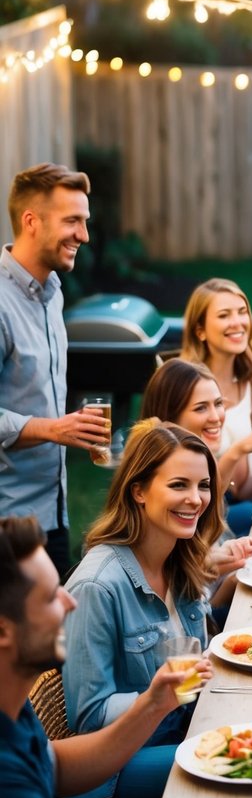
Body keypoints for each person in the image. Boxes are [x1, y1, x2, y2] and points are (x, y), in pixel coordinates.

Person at [0, 514, 235, 798]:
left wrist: (154, 703)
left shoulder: (11, 705)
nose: (70, 600)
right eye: (49, 597)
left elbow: (55, 766)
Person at [63, 421, 226, 798]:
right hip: (118, 764)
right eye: (178, 485)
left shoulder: (178, 560)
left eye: (203, 485)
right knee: (241, 761)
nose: (196, 499)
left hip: (181, 728)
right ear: (138, 490)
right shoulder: (97, 587)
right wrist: (157, 696)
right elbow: (88, 716)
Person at [0, 163, 110, 577]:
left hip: (53, 511)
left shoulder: (52, 293)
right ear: (31, 222)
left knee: (53, 637)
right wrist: (52, 430)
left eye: (84, 222)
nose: (83, 235)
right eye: (72, 221)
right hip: (8, 524)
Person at [140, 357, 252, 536]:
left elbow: (234, 491)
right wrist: (236, 452)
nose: (216, 417)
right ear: (171, 415)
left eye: (218, 404)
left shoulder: (200, 450)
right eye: (200, 408)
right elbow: (202, 514)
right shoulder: (162, 461)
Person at [181, 277, 252, 503]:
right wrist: (241, 450)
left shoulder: (248, 373)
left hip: (245, 489)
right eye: (224, 315)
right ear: (200, 331)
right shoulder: (187, 387)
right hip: (209, 507)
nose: (238, 322)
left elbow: (247, 475)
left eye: (242, 312)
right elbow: (193, 489)